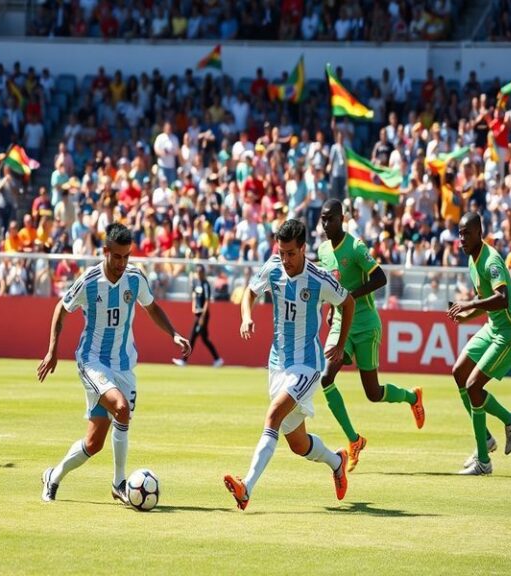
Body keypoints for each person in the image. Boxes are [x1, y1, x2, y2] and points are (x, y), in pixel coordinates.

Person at [38, 223, 191, 503]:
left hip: (123, 365)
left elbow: (152, 307)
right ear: (106, 251)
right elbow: (62, 308)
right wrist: (52, 350)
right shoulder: (90, 280)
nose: (122, 263)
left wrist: (174, 334)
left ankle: (53, 476)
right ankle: (119, 483)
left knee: (93, 443)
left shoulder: (135, 278)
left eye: (126, 257)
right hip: (92, 360)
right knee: (121, 408)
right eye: (117, 256)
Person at [223, 219, 355, 510]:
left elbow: (348, 303)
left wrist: (340, 343)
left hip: (307, 365)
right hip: (278, 364)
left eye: (291, 253)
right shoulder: (273, 268)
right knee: (298, 444)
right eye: (281, 253)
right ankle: (337, 461)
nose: (285, 259)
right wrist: (246, 317)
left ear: (303, 249)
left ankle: (246, 488)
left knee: (272, 416)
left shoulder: (319, 279)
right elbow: (250, 292)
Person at [317, 199, 425, 472]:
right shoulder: (323, 250)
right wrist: (333, 306)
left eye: (330, 218)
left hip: (366, 325)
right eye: (322, 219)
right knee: (326, 377)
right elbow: (333, 284)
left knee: (373, 393)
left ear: (342, 219)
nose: (326, 223)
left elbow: (380, 278)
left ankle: (412, 397)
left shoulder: (355, 247)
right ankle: (354, 440)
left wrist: (349, 299)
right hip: (341, 324)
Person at [448, 212, 511, 475]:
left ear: (480, 233)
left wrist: (468, 304)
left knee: (473, 386)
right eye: (460, 233)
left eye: (467, 233)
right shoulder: (472, 260)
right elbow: (486, 302)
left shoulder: (491, 260)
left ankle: (483, 461)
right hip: (493, 327)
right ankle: (502, 426)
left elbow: (502, 299)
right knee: (459, 373)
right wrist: (466, 316)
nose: (462, 239)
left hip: (510, 332)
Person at [172, 264, 223, 367]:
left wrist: (203, 317)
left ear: (204, 273)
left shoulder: (205, 284)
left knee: (192, 337)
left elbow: (207, 301)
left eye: (201, 272)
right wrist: (193, 306)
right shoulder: (196, 282)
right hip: (198, 313)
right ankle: (217, 359)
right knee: (204, 339)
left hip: (202, 315)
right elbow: (194, 295)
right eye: (198, 272)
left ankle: (184, 360)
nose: (200, 274)